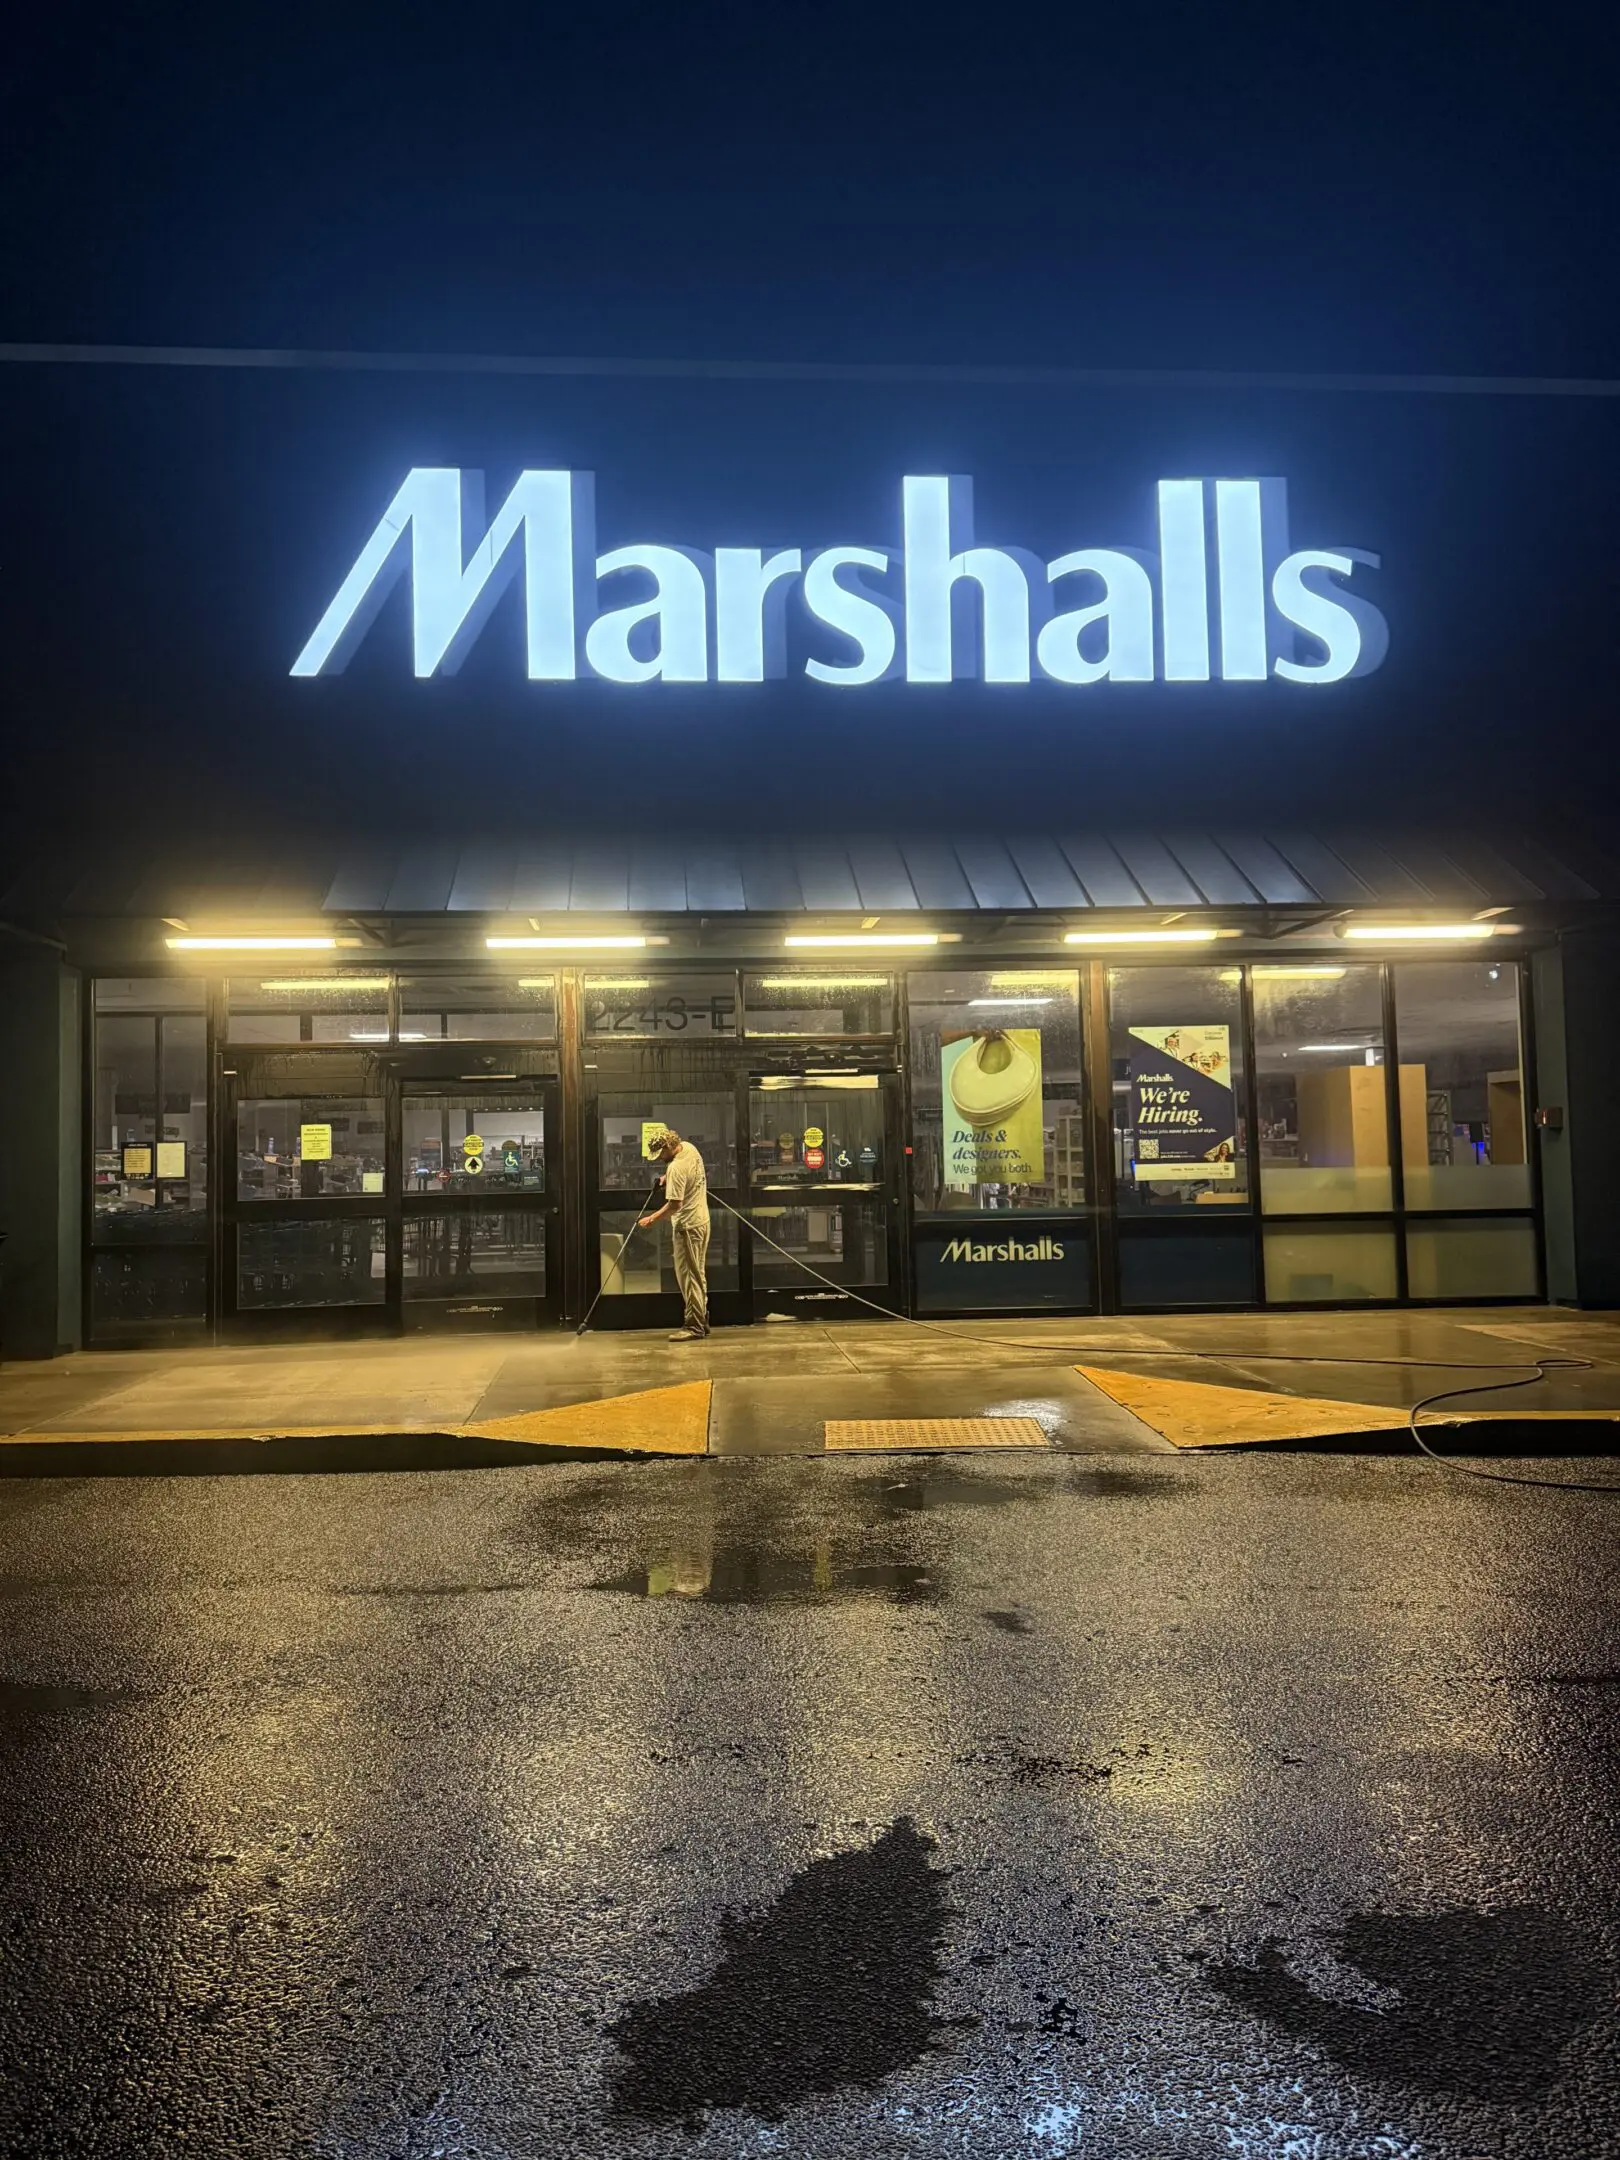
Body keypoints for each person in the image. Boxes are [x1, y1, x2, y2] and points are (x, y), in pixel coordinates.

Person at [637, 1126, 710, 1341]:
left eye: (661, 1154)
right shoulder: (689, 1148)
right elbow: (684, 1173)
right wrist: (666, 1177)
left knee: (689, 1278)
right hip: (702, 1222)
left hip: (687, 1227)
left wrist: (651, 1219)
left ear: (669, 1146)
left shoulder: (676, 1167)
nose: (660, 1158)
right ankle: (701, 1320)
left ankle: (694, 1327)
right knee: (697, 1275)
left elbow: (674, 1205)